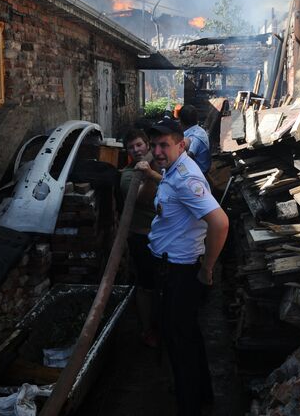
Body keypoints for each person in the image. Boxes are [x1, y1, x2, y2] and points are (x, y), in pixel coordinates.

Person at [146, 117, 229, 416]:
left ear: (180, 145)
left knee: (179, 341)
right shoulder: (174, 172)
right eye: (154, 145)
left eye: (164, 145)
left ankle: (189, 404)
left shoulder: (185, 178)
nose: (157, 151)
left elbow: (219, 222)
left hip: (179, 273)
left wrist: (207, 269)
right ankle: (200, 393)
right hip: (173, 269)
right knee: (187, 335)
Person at [119, 129, 162, 347]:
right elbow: (144, 199)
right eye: (131, 147)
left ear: (147, 145)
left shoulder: (161, 165)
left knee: (165, 283)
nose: (136, 150)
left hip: (165, 237)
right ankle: (147, 330)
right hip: (142, 239)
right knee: (146, 286)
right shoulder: (128, 175)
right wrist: (151, 173)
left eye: (139, 145)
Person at [178, 105, 211, 174]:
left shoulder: (195, 137)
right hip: (201, 166)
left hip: (200, 171)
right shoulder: (199, 130)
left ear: (181, 121)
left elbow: (188, 157)